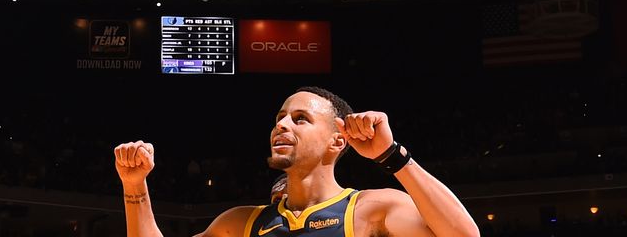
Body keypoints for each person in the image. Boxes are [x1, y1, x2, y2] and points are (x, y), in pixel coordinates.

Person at [114, 86, 479, 237]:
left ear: (338, 139)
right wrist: (135, 187)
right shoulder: (242, 222)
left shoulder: (369, 208)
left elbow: (464, 235)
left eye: (300, 118)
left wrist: (391, 156)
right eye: (280, 118)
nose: (282, 125)